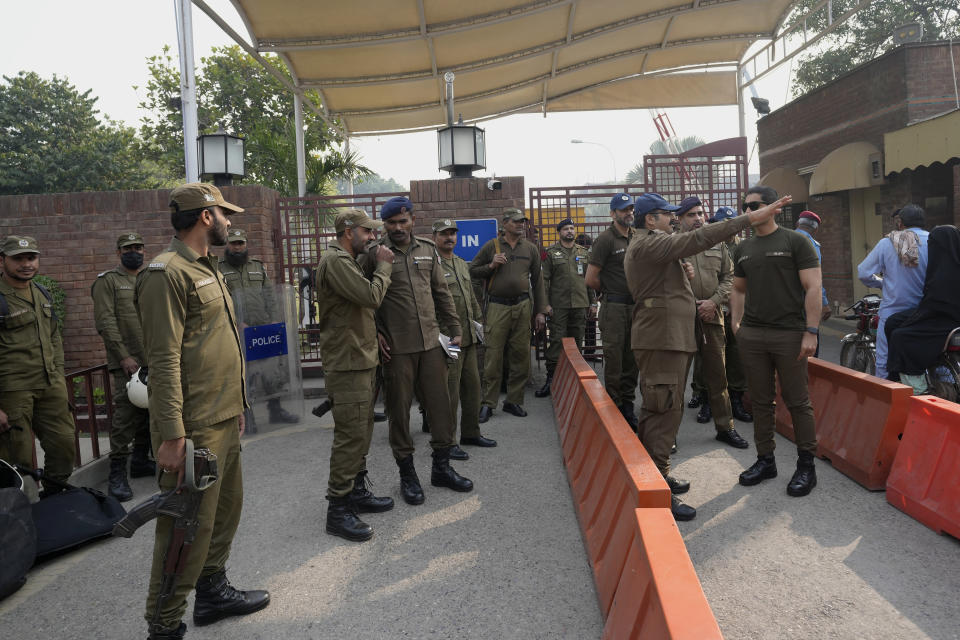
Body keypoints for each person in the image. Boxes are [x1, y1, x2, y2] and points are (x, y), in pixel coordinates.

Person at [136, 183, 268, 639]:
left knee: (224, 512)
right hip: (191, 429)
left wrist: (237, 406)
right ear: (206, 217)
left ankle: (212, 594)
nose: (231, 221)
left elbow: (215, 346)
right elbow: (164, 360)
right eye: (224, 213)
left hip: (221, 415)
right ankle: (165, 624)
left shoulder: (207, 268)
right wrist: (172, 435)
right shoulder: (165, 273)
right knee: (183, 530)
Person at [624, 193, 788, 521]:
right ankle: (656, 488)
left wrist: (681, 275)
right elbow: (699, 237)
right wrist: (750, 219)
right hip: (662, 339)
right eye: (665, 215)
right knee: (663, 407)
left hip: (669, 337)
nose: (673, 219)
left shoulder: (654, 244)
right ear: (649, 220)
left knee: (667, 407)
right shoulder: (647, 244)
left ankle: (659, 475)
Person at [362, 196, 473, 505]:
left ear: (412, 220)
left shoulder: (427, 249)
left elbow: (441, 292)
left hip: (430, 345)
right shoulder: (374, 254)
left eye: (403, 221)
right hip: (396, 349)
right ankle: (407, 475)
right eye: (391, 223)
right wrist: (376, 333)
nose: (398, 228)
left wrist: (455, 328)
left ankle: (442, 467)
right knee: (399, 413)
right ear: (384, 225)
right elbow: (362, 300)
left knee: (441, 408)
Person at [730, 185, 820, 498]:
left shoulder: (796, 241)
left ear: (773, 208)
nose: (748, 211)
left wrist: (811, 331)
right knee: (760, 400)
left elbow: (813, 287)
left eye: (754, 205)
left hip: (790, 334)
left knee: (797, 401)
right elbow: (738, 289)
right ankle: (765, 460)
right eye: (744, 206)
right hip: (753, 334)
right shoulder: (742, 248)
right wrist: (736, 324)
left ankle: (806, 465)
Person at [314, 209, 395, 542]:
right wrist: (385, 265)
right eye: (368, 231)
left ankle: (356, 492)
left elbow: (356, 309)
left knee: (361, 432)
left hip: (359, 358)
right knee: (350, 437)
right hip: (347, 363)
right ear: (349, 231)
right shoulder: (336, 261)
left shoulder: (345, 260)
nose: (373, 237)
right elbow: (370, 297)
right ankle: (338, 508)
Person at [0, 236, 76, 494]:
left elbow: (54, 335)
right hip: (13, 389)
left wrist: (59, 374)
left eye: (31, 258)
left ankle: (54, 497)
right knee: (15, 455)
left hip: (50, 383)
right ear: (3, 261)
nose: (26, 264)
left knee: (64, 443)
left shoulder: (41, 292)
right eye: (18, 259)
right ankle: (18, 511)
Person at [674, 197, 749, 450]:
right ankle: (668, 435)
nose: (698, 218)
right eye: (691, 215)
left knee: (718, 376)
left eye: (700, 213)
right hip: (680, 319)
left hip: (711, 316)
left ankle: (725, 427)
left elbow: (730, 277)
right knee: (676, 380)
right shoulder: (670, 244)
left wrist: (714, 302)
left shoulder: (716, 242)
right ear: (680, 219)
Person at [91, 232, 155, 501]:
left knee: (150, 415)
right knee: (125, 418)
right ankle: (117, 474)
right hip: (127, 363)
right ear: (118, 252)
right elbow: (105, 323)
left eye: (139, 247)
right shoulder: (109, 282)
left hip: (153, 359)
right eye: (128, 248)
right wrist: (123, 356)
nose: (135, 252)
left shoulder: (149, 278)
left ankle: (140, 461)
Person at [469, 208, 547, 421]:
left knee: (520, 356)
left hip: (523, 306)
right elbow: (472, 271)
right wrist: (491, 265)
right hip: (497, 306)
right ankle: (488, 403)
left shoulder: (530, 248)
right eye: (516, 221)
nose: (521, 225)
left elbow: (538, 281)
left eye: (522, 221)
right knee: (493, 356)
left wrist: (540, 311)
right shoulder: (491, 246)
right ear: (505, 224)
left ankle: (514, 401)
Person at [219, 228, 299, 432]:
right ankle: (248, 416)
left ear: (246, 245)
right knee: (245, 376)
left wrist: (273, 319)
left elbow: (270, 294)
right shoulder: (219, 269)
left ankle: (276, 410)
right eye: (233, 243)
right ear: (227, 245)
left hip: (263, 330)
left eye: (240, 243)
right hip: (237, 332)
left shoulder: (257, 267)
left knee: (271, 373)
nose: (237, 247)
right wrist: (237, 322)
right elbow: (221, 300)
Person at [433, 219, 497, 451]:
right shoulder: (433, 265)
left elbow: (470, 296)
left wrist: (480, 322)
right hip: (448, 339)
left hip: (469, 337)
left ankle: (470, 433)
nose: (449, 237)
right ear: (435, 237)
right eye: (444, 234)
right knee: (450, 393)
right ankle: (447, 442)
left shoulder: (461, 263)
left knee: (473, 388)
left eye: (452, 233)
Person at [586, 194, 640, 430]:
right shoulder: (605, 240)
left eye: (630, 208)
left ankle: (628, 406)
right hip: (615, 308)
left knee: (632, 359)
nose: (628, 213)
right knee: (615, 360)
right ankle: (614, 409)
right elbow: (590, 278)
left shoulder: (636, 236)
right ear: (612, 213)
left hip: (635, 306)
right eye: (623, 209)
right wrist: (609, 291)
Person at [857, 204, 930, 380]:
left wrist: (882, 284)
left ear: (900, 223)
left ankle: (885, 396)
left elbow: (863, 272)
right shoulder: (934, 239)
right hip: (927, 311)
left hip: (893, 311)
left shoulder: (888, 242)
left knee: (884, 359)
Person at [885, 225, 960, 393]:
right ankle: (896, 373)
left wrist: (913, 321)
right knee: (893, 322)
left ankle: (917, 390)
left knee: (900, 337)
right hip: (940, 314)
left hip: (944, 319)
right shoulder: (949, 264)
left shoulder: (943, 272)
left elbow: (935, 306)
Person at [536, 218, 597, 397]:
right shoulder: (550, 253)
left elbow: (589, 279)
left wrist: (593, 302)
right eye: (566, 229)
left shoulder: (584, 253)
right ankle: (552, 379)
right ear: (560, 232)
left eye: (572, 228)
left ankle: (574, 380)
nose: (570, 231)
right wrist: (544, 304)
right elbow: (543, 281)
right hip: (558, 306)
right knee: (556, 342)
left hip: (580, 304)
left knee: (577, 342)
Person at [794, 210, 831, 357]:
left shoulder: (785, 239)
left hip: (783, 304)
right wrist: (824, 303)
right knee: (810, 352)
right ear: (816, 229)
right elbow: (814, 279)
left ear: (797, 224)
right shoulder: (810, 243)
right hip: (804, 304)